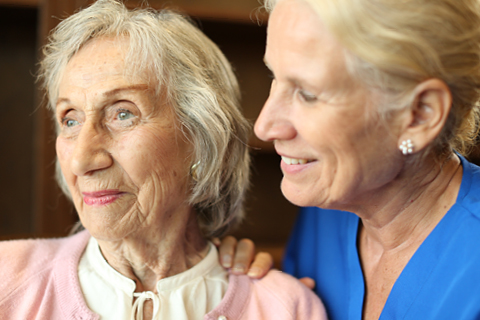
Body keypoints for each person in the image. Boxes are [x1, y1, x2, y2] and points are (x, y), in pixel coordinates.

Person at [0, 1, 327, 319]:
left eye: (123, 113)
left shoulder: (286, 308)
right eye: (70, 120)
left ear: (202, 139)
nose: (82, 160)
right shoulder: (7, 282)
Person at [220, 0, 480, 319]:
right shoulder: (329, 208)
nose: (264, 126)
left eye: (308, 93)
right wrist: (248, 292)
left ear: (420, 114)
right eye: (275, 77)